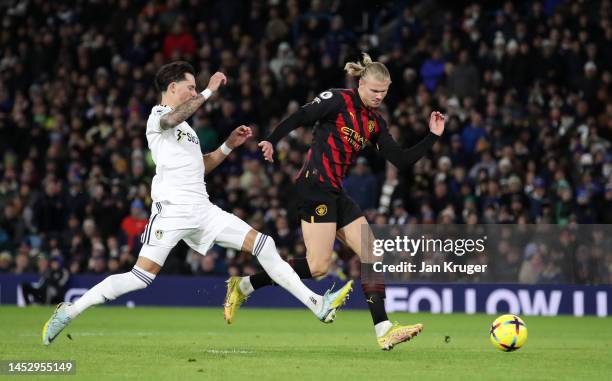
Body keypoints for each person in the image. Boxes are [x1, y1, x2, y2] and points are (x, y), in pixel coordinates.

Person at [42, 61, 353, 346]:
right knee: (140, 279)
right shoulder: (158, 117)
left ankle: (317, 304)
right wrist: (208, 90)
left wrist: (228, 146)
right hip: (172, 212)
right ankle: (71, 310)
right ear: (172, 87)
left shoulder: (187, 131)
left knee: (264, 244)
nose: (194, 91)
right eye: (189, 86)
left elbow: (201, 166)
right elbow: (174, 116)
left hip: (203, 211)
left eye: (196, 87)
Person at [224, 53, 445, 350]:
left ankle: (384, 328)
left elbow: (401, 160)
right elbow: (302, 116)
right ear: (361, 83)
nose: (379, 96)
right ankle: (245, 285)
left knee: (371, 254)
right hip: (314, 187)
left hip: (335, 192)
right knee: (318, 267)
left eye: (384, 92)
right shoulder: (338, 100)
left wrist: (432, 136)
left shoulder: (375, 123)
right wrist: (272, 140)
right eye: (374, 90)